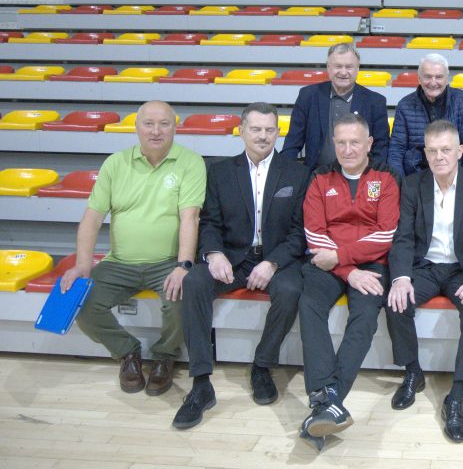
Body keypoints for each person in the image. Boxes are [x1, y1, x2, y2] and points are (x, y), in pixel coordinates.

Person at [172, 103, 311, 429]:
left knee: (291, 289)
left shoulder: (298, 173)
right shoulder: (219, 171)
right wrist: (213, 253)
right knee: (194, 282)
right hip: (233, 257)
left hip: (277, 258)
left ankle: (262, 366)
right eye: (256, 129)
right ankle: (201, 383)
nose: (263, 136)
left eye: (269, 130)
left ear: (278, 133)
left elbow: (299, 231)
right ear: (241, 131)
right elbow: (210, 223)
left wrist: (273, 262)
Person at [60, 100, 205, 396]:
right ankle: (127, 352)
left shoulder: (191, 162)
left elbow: (190, 217)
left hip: (167, 262)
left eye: (164, 124)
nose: (156, 131)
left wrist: (183, 265)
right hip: (119, 263)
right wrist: (83, 265)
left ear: (175, 127)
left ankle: (165, 356)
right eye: (148, 124)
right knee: (80, 301)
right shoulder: (115, 164)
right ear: (136, 128)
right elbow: (92, 218)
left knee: (182, 295)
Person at [296, 113, 401, 450]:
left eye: (355, 142)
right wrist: (348, 270)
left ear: (369, 143)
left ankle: (327, 402)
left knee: (365, 317)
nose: (347, 149)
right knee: (309, 304)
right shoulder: (319, 179)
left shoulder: (386, 178)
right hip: (329, 265)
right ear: (333, 144)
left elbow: (386, 234)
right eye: (340, 142)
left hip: (370, 264)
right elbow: (315, 235)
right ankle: (327, 399)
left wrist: (343, 258)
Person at [385, 120, 463, 443]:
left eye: (446, 150)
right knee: (396, 300)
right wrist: (401, 277)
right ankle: (413, 371)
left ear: (460, 151)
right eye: (432, 151)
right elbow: (403, 237)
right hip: (426, 266)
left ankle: (456, 394)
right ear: (425, 153)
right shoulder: (412, 184)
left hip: (462, 268)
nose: (439, 157)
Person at [282, 42, 390, 167]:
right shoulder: (308, 96)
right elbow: (292, 143)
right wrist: (285, 173)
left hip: (360, 176)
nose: (343, 72)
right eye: (338, 66)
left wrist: (372, 175)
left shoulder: (375, 102)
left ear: (357, 69)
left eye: (349, 67)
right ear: (328, 67)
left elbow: (381, 147)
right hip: (315, 174)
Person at [388, 53, 463, 176]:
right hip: (416, 177)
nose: (433, 82)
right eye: (427, 77)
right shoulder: (404, 105)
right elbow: (397, 150)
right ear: (419, 79)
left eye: (439, 77)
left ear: (446, 79)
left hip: (456, 176)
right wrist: (398, 183)